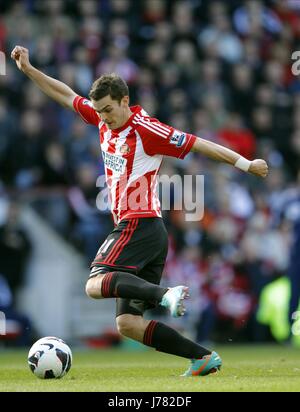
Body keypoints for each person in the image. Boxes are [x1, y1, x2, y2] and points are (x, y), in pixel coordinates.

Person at [11, 45, 268, 377]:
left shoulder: (147, 129)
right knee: (128, 324)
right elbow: (65, 95)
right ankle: (202, 357)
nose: (102, 117)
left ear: (123, 101)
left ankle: (166, 295)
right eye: (99, 111)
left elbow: (198, 143)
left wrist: (245, 163)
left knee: (94, 284)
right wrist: (30, 70)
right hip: (143, 231)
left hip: (141, 222)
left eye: (107, 110)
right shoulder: (104, 119)